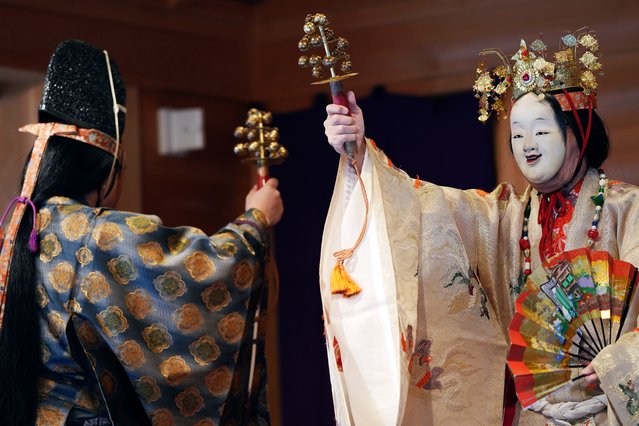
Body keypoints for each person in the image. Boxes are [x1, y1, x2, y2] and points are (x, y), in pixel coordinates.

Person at [321, 31, 639, 425]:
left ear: (580, 130)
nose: (527, 145)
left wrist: (621, 361)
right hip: (534, 415)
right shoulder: (507, 216)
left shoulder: (626, 209)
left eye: (541, 130)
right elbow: (427, 209)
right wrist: (361, 153)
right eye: (517, 133)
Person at [0, 40, 283, 425]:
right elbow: (200, 273)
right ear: (106, 167)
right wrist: (255, 219)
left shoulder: (18, 227)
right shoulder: (94, 233)